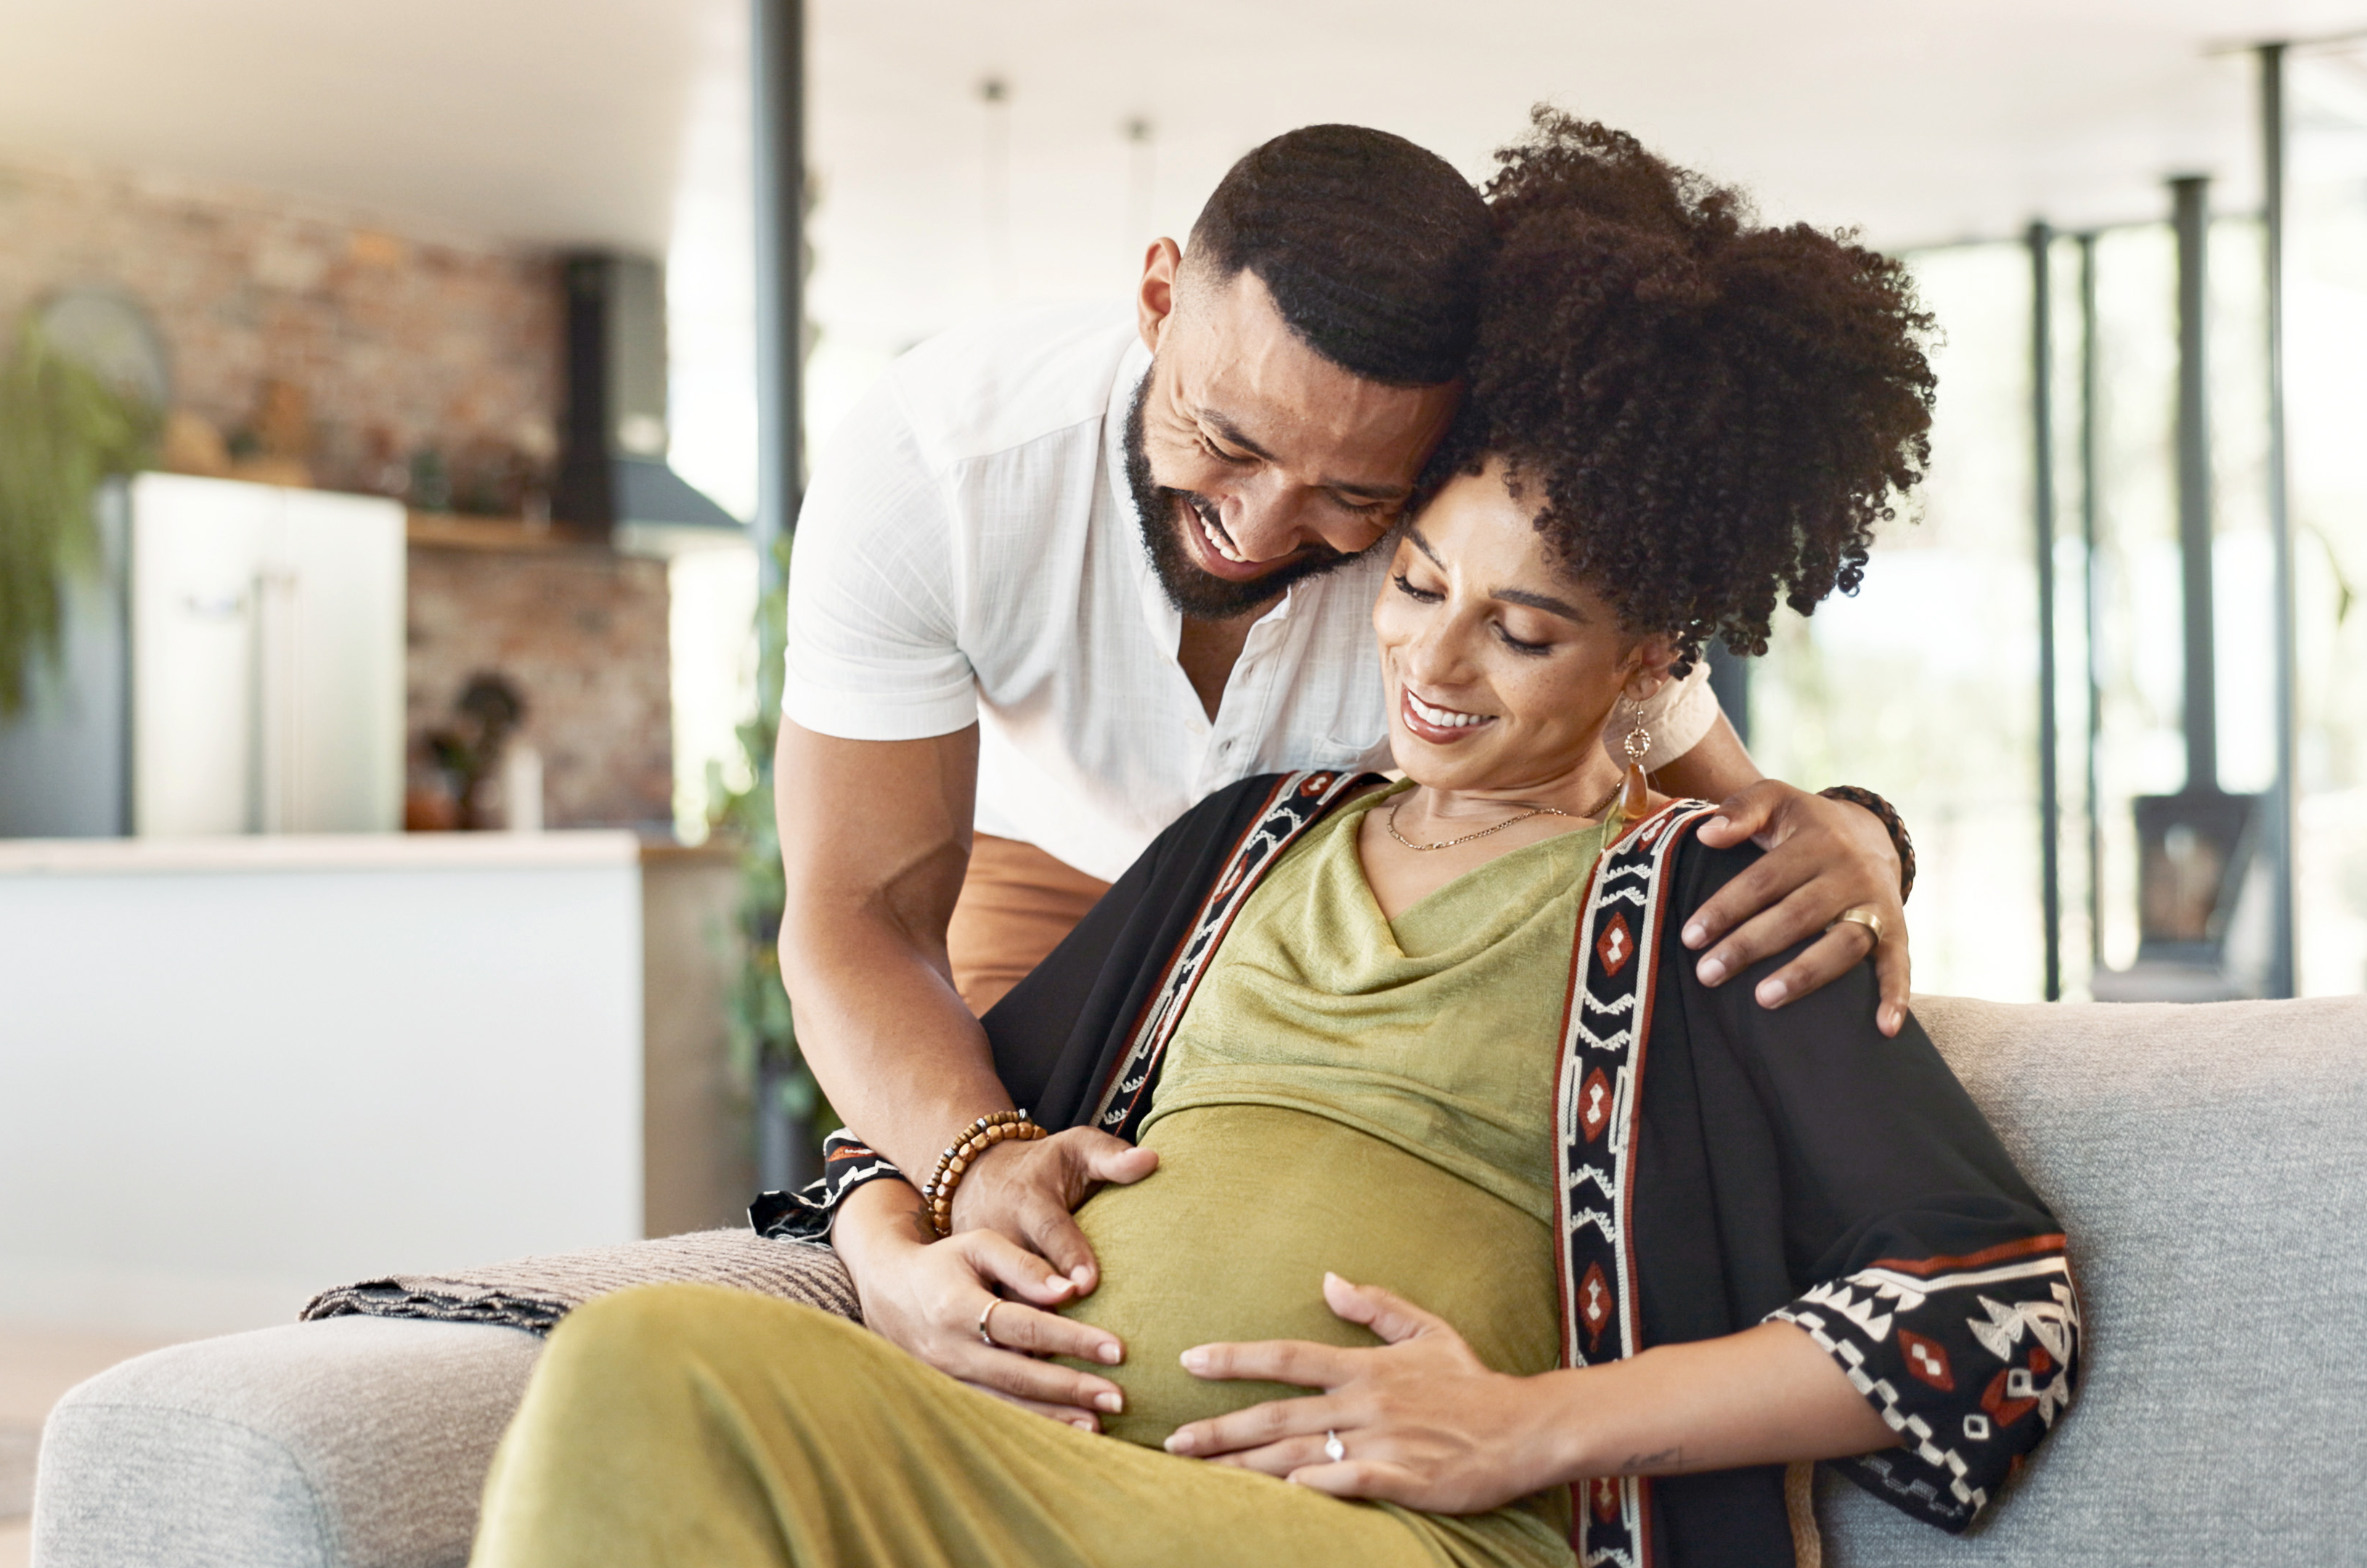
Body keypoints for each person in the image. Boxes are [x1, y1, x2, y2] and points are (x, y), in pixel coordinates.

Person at [474, 114, 2076, 1568]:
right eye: (1419, 591)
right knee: (644, 1356)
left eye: (1519, 632)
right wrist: (906, 1238)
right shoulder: (1244, 835)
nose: (1432, 667)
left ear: (1646, 660)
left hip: (1353, 1537)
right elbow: (896, 1026)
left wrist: (1528, 1428)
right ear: (1158, 298)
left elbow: (1989, 1316)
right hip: (1044, 1476)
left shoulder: (1706, 903)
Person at [775, 121, 1923, 1402]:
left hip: (1284, 902)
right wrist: (952, 1172)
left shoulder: (1474, 517)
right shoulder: (939, 467)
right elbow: (859, 915)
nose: (1258, 529)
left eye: (1355, 501)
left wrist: (1862, 835)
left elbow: (1711, 799)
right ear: (1158, 300)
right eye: (1228, 440)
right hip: (1064, 882)